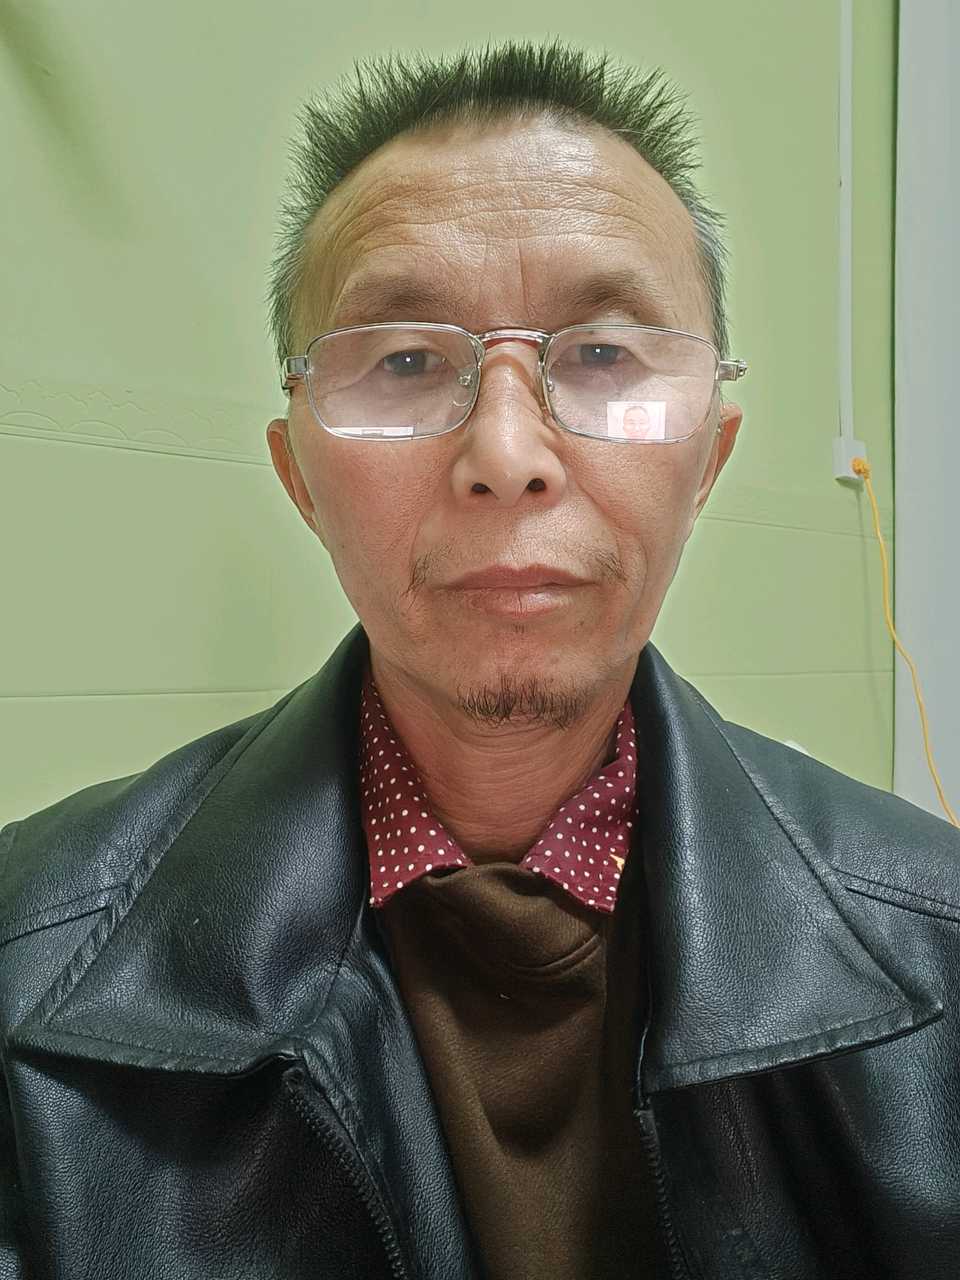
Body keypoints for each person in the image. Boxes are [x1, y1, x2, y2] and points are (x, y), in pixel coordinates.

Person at [1, 38, 958, 1280]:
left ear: (708, 463)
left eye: (603, 354)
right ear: (301, 480)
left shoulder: (937, 942)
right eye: (405, 360)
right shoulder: (29, 959)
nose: (507, 454)